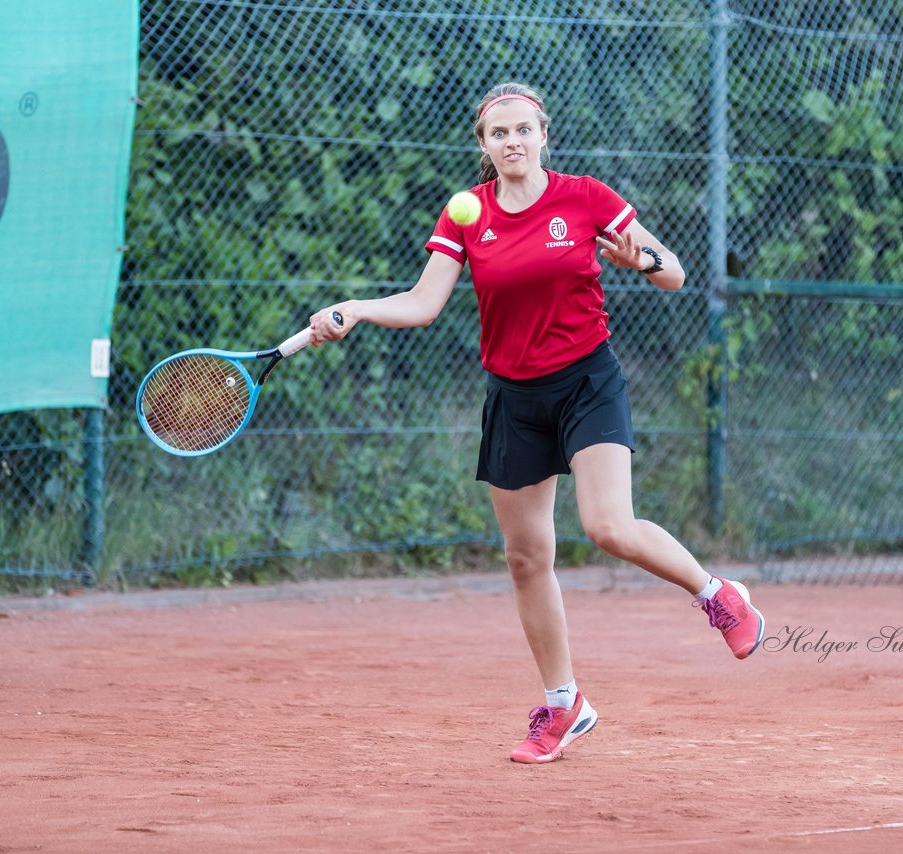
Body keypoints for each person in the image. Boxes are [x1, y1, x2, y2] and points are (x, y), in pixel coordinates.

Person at [306, 82, 764, 764]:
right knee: (526, 559)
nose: (513, 142)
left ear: (543, 134)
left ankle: (717, 595)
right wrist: (359, 308)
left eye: (523, 130)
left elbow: (674, 273)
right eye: (499, 134)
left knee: (609, 526)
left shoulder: (585, 198)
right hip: (514, 397)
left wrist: (642, 260)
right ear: (483, 147)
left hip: (586, 382)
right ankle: (563, 705)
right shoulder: (468, 213)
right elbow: (425, 301)